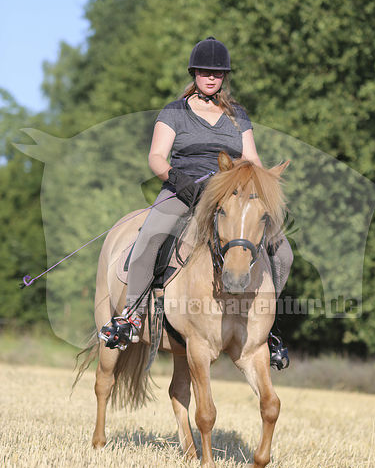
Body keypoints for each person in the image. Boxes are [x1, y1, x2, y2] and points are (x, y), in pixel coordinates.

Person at [103, 37, 293, 368]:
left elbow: (251, 159)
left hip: (230, 195)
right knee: (150, 236)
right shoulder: (174, 112)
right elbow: (156, 157)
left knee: (284, 253)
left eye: (217, 73)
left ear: (224, 77)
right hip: (184, 189)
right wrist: (176, 179)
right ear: (194, 73)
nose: (211, 78)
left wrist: (267, 186)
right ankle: (131, 316)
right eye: (205, 72)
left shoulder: (237, 116)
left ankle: (268, 328)